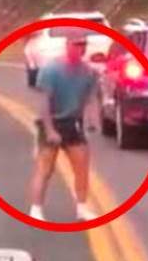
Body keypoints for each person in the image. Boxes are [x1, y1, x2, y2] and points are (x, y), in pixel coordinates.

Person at [27, 37, 100, 221]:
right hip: (51, 121)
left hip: (72, 123)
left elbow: (90, 98)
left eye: (83, 45)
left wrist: (92, 119)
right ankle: (36, 209)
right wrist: (50, 130)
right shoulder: (51, 70)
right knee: (45, 169)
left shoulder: (88, 72)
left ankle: (82, 207)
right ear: (67, 45)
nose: (81, 49)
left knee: (82, 166)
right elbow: (44, 102)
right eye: (77, 44)